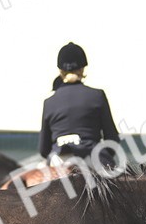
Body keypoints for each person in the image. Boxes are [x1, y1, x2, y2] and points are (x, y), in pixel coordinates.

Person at [39, 42, 119, 170]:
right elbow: (112, 138)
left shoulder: (49, 102)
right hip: (93, 158)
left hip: (58, 160)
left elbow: (43, 149)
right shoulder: (97, 95)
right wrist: (106, 158)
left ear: (60, 71)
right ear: (83, 69)